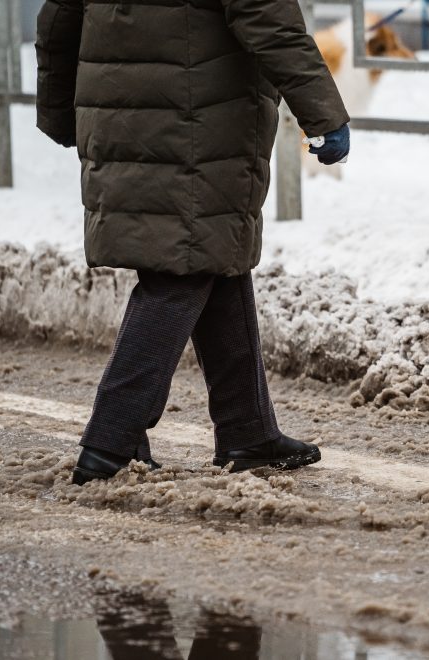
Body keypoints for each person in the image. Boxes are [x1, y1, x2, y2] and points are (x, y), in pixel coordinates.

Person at [35, 0, 350, 484]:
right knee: (182, 270)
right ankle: (109, 442)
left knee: (211, 257)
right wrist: (324, 114)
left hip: (127, 117)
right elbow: (270, 23)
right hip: (199, 126)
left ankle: (248, 432)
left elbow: (58, 19)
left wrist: (61, 112)